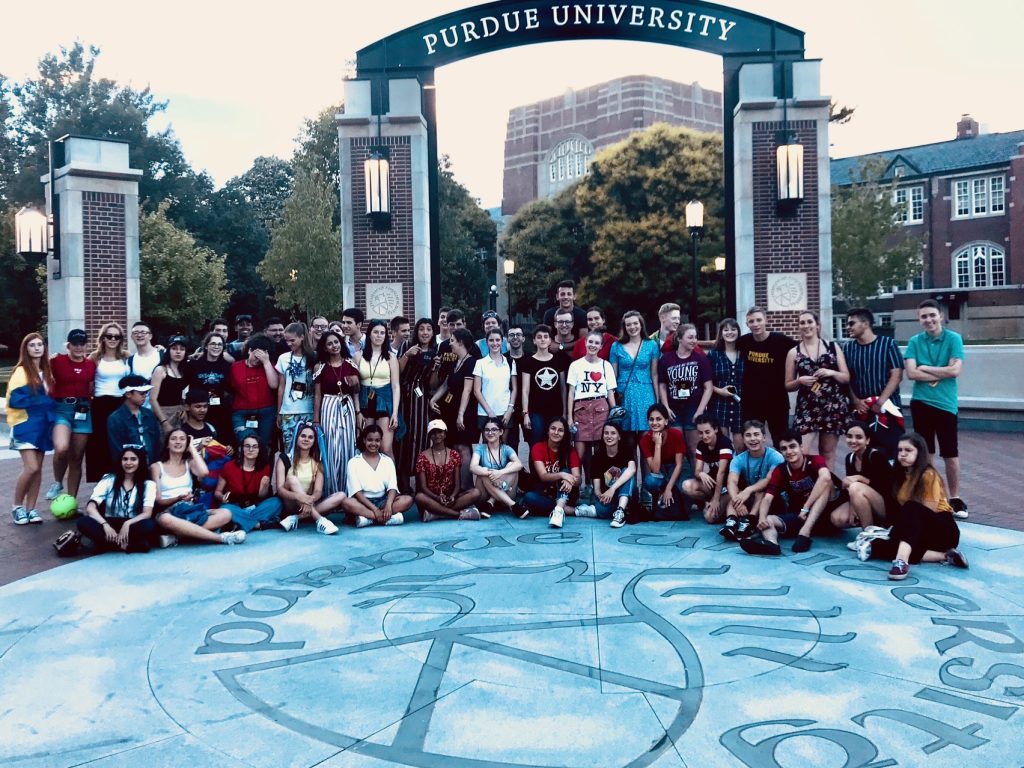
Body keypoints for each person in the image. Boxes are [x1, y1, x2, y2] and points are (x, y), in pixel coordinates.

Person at [873, 432, 969, 581]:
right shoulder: (901, 475)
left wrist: (904, 533)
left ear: (919, 453)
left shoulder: (928, 475)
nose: (903, 454)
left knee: (912, 507)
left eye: (908, 450)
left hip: (942, 529)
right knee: (878, 547)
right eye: (900, 450)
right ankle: (946, 556)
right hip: (916, 527)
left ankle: (901, 562)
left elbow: (926, 511)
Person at [905, 300, 967, 518]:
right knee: (926, 452)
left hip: (946, 404)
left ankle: (956, 498)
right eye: (924, 317)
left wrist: (926, 368)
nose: (928, 320)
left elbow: (955, 371)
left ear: (941, 316)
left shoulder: (953, 339)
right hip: (921, 402)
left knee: (950, 453)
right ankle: (934, 495)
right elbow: (911, 374)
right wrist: (942, 370)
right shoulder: (914, 341)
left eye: (932, 315)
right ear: (919, 319)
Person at [739, 430, 843, 556]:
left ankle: (805, 533)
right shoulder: (781, 470)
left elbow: (825, 478)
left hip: (825, 515)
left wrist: (806, 506)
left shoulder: (815, 460)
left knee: (826, 483)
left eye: (793, 446)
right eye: (784, 448)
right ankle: (772, 545)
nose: (789, 451)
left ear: (801, 447)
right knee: (769, 520)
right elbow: (767, 498)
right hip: (800, 516)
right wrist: (762, 518)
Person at [151, 428, 245, 545]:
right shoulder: (156, 467)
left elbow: (204, 472)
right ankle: (222, 538)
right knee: (164, 519)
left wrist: (191, 448)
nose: (178, 442)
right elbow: (158, 501)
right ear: (167, 445)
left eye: (182, 439)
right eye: (173, 439)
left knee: (226, 513)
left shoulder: (189, 463)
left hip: (190, 510)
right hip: (169, 512)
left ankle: (176, 537)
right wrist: (178, 498)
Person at [786, 310, 851, 471]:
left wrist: (831, 372)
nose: (806, 326)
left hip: (832, 405)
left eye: (809, 322)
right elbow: (787, 384)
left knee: (827, 453)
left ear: (817, 324)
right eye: (802, 323)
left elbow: (846, 377)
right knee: (801, 451)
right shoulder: (794, 352)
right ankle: (804, 489)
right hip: (807, 406)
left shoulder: (832, 347)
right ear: (798, 327)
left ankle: (828, 491)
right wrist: (800, 381)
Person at [843, 308, 905, 458]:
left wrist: (881, 401)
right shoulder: (848, 348)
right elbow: (846, 378)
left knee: (891, 452)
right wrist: (855, 401)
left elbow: (896, 375)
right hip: (861, 411)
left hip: (888, 408)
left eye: (852, 323)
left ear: (865, 324)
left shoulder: (888, 344)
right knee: (863, 452)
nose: (847, 327)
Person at [74, 445, 159, 553]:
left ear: (140, 462)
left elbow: (147, 513)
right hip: (110, 522)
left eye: (133, 459)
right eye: (125, 459)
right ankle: (126, 545)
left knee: (149, 525)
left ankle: (108, 544)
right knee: (83, 522)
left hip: (133, 524)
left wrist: (127, 524)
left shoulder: (148, 484)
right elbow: (91, 507)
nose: (128, 463)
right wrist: (105, 525)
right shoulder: (109, 479)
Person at [8, 333, 55, 525]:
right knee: (31, 467)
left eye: (40, 345)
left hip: (44, 426)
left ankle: (31, 508)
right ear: (25, 349)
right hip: (25, 426)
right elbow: (15, 400)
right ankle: (17, 507)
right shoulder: (21, 372)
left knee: (38, 470)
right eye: (32, 345)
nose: (37, 348)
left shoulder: (48, 372)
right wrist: (43, 401)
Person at [47, 329, 96, 505]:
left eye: (82, 344)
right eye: (75, 344)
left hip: (82, 410)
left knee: (77, 457)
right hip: (62, 409)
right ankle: (58, 482)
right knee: (61, 448)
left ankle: (70, 501)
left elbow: (91, 387)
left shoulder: (91, 364)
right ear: (68, 345)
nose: (78, 347)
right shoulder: (56, 361)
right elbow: (39, 370)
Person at [658, 323, 714, 471]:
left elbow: (708, 387)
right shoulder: (666, 359)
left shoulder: (700, 359)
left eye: (695, 337)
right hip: (673, 408)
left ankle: (698, 483)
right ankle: (679, 486)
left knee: (693, 448)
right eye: (690, 337)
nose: (694, 340)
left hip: (693, 408)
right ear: (680, 339)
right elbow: (662, 385)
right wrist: (666, 407)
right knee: (677, 449)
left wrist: (700, 410)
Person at [737, 306, 796, 444]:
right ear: (747, 324)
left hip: (777, 401)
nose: (756, 324)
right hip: (752, 402)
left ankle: (781, 466)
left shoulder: (781, 340)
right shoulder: (744, 341)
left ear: (766, 321)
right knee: (752, 440)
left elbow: (802, 351)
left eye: (759, 320)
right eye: (751, 321)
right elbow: (722, 345)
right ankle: (755, 466)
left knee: (781, 440)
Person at [430, 327, 481, 483]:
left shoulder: (471, 362)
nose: (449, 344)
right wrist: (433, 399)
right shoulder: (455, 361)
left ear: (460, 342)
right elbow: (446, 384)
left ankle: (466, 488)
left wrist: (461, 415)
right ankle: (453, 485)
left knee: (463, 447)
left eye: (452, 341)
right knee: (452, 447)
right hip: (449, 410)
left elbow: (467, 390)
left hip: (464, 411)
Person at [313, 330, 360, 497]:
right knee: (331, 448)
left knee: (348, 445)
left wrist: (358, 412)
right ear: (325, 348)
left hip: (347, 405)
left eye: (336, 342)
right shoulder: (320, 366)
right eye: (330, 344)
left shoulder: (350, 363)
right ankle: (331, 492)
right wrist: (316, 419)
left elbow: (356, 392)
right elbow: (317, 394)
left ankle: (348, 493)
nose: (334, 346)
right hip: (329, 405)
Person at [275, 423, 346, 534]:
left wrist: (309, 501)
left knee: (341, 495)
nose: (306, 439)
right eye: (303, 436)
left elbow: (318, 491)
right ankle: (320, 520)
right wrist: (299, 497)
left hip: (309, 504)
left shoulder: (317, 463)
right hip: (290, 503)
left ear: (314, 441)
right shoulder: (285, 458)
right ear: (296, 438)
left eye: (310, 437)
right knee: (292, 480)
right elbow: (280, 490)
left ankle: (297, 518)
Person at [341, 424, 416, 526]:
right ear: (364, 440)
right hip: (363, 502)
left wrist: (388, 505)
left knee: (408, 499)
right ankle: (384, 518)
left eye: (377, 440)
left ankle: (368, 519)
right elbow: (357, 493)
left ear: (381, 441)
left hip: (383, 501)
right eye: (370, 440)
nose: (373, 443)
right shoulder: (353, 462)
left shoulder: (387, 460)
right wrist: (375, 509)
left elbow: (392, 487)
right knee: (346, 502)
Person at [567, 330, 618, 480]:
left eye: (597, 343)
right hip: (581, 409)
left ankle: (601, 484)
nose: (593, 345)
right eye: (590, 342)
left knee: (600, 450)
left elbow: (610, 392)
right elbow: (571, 392)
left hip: (600, 408)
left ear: (601, 346)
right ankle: (581, 484)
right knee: (580, 452)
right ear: (585, 342)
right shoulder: (576, 365)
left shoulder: (606, 366)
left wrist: (614, 415)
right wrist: (569, 417)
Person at [722, 420, 785, 540]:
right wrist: (737, 500)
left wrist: (749, 490)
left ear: (764, 438)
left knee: (760, 491)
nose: (752, 439)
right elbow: (732, 482)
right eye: (748, 435)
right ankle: (731, 522)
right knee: (736, 494)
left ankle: (748, 522)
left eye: (756, 434)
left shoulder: (776, 456)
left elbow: (768, 480)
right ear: (743, 439)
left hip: (773, 498)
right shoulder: (738, 459)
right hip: (753, 497)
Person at [839, 422, 894, 558]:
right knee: (838, 518)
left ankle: (867, 536)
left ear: (867, 440)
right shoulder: (850, 458)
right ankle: (872, 529)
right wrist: (853, 508)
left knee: (855, 486)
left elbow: (886, 487)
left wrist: (859, 478)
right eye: (850, 436)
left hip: (888, 506)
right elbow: (850, 488)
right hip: (865, 499)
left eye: (859, 437)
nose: (853, 440)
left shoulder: (876, 456)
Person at [414, 419, 485, 521]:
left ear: (445, 434)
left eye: (440, 432)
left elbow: (457, 484)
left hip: (450, 497)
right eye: (433, 433)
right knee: (419, 497)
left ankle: (436, 514)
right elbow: (423, 486)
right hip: (431, 497)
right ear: (429, 436)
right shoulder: (422, 456)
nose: (436, 435)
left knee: (476, 493)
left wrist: (453, 496)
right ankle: (457, 514)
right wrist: (437, 498)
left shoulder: (454, 454)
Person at [86, 322, 131, 482]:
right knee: (100, 445)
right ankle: (101, 483)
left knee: (120, 444)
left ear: (121, 339)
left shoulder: (125, 356)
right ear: (103, 338)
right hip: (101, 404)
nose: (113, 339)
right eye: (109, 336)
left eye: (117, 337)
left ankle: (120, 480)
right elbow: (89, 383)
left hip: (121, 404)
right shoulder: (94, 357)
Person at [212, 434, 282, 532]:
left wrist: (263, 489)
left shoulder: (264, 468)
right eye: (247, 446)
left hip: (254, 507)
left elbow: (261, 497)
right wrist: (222, 497)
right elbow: (217, 492)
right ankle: (258, 524)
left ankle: (239, 523)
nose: (251, 449)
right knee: (227, 509)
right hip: (234, 506)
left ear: (259, 450)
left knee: (276, 502)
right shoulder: (229, 466)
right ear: (241, 448)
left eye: (255, 446)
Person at [609, 310, 660, 441]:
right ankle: (630, 462)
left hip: (646, 392)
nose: (632, 327)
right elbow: (613, 375)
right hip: (624, 394)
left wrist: (658, 400)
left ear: (641, 324)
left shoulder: (651, 345)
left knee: (646, 438)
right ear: (624, 327)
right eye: (628, 325)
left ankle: (646, 462)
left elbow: (654, 374)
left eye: (635, 323)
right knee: (628, 439)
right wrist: (612, 399)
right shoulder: (616, 346)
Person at [397, 319, 438, 484]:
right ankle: (404, 481)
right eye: (421, 329)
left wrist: (436, 368)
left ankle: (420, 481)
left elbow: (432, 384)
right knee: (404, 436)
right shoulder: (407, 345)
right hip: (405, 396)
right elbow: (397, 371)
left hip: (421, 398)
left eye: (429, 329)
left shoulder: (435, 351)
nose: (425, 332)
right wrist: (407, 355)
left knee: (421, 436)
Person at [522, 417, 581, 527]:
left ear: (564, 434)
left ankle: (558, 510)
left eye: (560, 430)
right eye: (553, 429)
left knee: (566, 470)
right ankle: (572, 511)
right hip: (546, 493)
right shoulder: (538, 447)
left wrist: (569, 480)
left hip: (567, 494)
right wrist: (562, 475)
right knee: (529, 497)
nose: (556, 432)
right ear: (547, 431)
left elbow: (578, 478)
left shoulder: (570, 450)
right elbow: (543, 476)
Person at [358, 318, 401, 458]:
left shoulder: (391, 357)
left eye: (382, 333)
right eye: (375, 332)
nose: (379, 335)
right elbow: (355, 386)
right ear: (369, 334)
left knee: (385, 448)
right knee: (366, 446)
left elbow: (395, 386)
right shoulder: (358, 356)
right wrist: (357, 411)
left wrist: (395, 413)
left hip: (385, 402)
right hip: (365, 402)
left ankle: (392, 480)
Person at [229, 333, 280, 448]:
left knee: (263, 445)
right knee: (246, 443)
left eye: (261, 357)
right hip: (241, 412)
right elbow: (231, 388)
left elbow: (274, 385)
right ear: (249, 351)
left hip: (265, 412)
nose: (257, 360)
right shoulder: (235, 367)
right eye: (256, 356)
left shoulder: (269, 365)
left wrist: (266, 362)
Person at [520, 324, 568, 445]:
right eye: (539, 337)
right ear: (534, 341)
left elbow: (563, 388)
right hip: (535, 411)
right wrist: (525, 413)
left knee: (555, 443)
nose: (542, 339)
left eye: (546, 336)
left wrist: (565, 412)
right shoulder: (528, 362)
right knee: (536, 443)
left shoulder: (558, 360)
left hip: (555, 410)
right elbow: (525, 390)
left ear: (550, 340)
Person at [681, 414, 733, 524]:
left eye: (707, 432)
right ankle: (710, 503)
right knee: (687, 486)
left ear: (715, 429)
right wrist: (701, 474)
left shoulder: (724, 443)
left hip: (728, 487)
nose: (704, 436)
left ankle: (721, 506)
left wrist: (716, 499)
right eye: (700, 433)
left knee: (710, 517)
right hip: (713, 484)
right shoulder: (701, 445)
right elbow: (697, 471)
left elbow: (722, 473)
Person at [470, 416, 526, 516]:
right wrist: (491, 473)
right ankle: (513, 505)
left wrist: (499, 473)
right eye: (487, 430)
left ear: (501, 432)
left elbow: (519, 464)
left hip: (505, 491)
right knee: (482, 471)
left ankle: (491, 502)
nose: (490, 433)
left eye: (494, 429)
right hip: (485, 495)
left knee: (511, 465)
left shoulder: (506, 449)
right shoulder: (480, 448)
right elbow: (473, 467)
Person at [184, 332, 233, 441]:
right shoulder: (193, 365)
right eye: (213, 344)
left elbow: (230, 389)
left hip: (220, 412)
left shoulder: (227, 366)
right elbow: (181, 387)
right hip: (198, 412)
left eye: (220, 344)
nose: (216, 347)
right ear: (206, 346)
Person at [639, 404, 685, 518]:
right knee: (650, 481)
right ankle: (659, 497)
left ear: (666, 421)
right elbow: (655, 470)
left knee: (683, 492)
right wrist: (657, 445)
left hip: (677, 469)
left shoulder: (676, 434)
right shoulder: (645, 440)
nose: (654, 423)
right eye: (651, 419)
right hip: (661, 471)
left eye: (658, 419)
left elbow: (679, 465)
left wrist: (669, 488)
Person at [276, 322, 316, 453]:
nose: (289, 344)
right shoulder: (283, 358)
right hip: (288, 410)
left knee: (308, 449)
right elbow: (281, 386)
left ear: (302, 337)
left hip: (308, 409)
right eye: (286, 341)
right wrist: (279, 412)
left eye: (292, 340)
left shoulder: (313, 357)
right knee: (289, 448)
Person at [589, 421, 636, 528]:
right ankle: (620, 510)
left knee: (626, 471)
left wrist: (612, 489)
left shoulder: (626, 450)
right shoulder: (597, 457)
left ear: (619, 436)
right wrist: (601, 496)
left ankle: (620, 512)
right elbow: (597, 489)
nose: (609, 436)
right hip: (609, 498)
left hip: (627, 494)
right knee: (601, 510)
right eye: (606, 433)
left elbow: (632, 470)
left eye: (613, 433)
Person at [107, 375, 163, 465]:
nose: (145, 396)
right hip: (129, 467)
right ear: (128, 394)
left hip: (152, 465)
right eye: (141, 393)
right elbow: (117, 449)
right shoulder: (115, 419)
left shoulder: (150, 414)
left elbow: (156, 444)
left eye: (146, 392)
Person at [473, 328, 518, 438]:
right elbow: (476, 390)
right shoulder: (480, 363)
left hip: (504, 412)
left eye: (497, 340)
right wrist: (489, 412)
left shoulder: (510, 362)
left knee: (502, 447)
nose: (495, 343)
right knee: (487, 447)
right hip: (485, 412)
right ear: (487, 342)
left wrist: (510, 410)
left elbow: (514, 388)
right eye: (491, 340)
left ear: (502, 341)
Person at [708, 318, 745, 451]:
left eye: (733, 329)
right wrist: (720, 391)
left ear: (738, 332)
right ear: (721, 333)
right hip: (719, 403)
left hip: (741, 404)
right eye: (726, 330)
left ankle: (740, 472)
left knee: (740, 445)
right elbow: (705, 382)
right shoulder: (713, 355)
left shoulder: (745, 353)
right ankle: (724, 471)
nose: (730, 332)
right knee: (723, 446)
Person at [150, 336, 189, 435]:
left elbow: (179, 394)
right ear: (168, 350)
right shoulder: (161, 370)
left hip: (178, 415)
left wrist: (183, 408)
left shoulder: (183, 371)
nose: (178, 352)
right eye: (174, 348)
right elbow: (152, 399)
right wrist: (164, 422)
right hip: (162, 414)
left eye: (182, 349)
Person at [127, 321, 162, 400]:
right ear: (132, 337)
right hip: (141, 409)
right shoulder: (130, 361)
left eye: (143, 332)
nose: (139, 335)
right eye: (135, 333)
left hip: (163, 408)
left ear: (150, 336)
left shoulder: (162, 355)